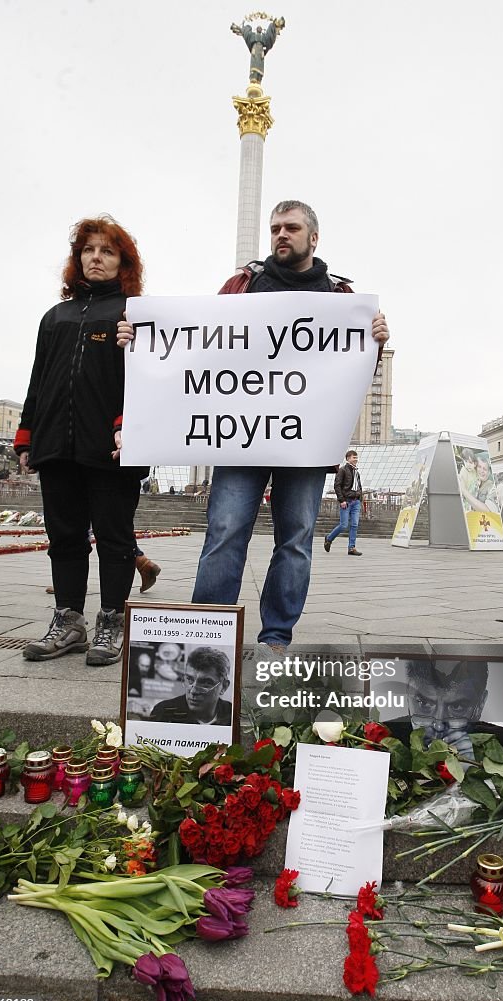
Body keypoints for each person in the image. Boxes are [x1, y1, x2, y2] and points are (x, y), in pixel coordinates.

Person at [117, 200, 389, 658]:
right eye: (276, 228)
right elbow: (197, 343)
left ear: (313, 237)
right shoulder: (242, 286)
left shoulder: (342, 299)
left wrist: (375, 341)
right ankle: (206, 633)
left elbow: (348, 370)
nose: (282, 235)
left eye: (292, 228)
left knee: (297, 538)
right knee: (224, 531)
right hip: (239, 435)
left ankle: (276, 637)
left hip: (303, 442)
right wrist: (140, 339)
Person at [15, 216, 147, 666]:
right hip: (56, 444)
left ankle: (111, 622)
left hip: (113, 447)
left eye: (107, 251)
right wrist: (27, 434)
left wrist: (130, 423)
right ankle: (68, 621)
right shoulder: (54, 318)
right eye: (89, 250)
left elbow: (151, 381)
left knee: (115, 538)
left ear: (122, 262)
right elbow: (38, 381)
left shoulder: (135, 314)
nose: (96, 258)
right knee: (65, 537)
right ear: (78, 260)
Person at [385, 659, 503, 759]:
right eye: (424, 703)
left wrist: (470, 765)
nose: (439, 725)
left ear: (480, 704)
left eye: (457, 707)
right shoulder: (380, 738)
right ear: (408, 695)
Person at [149, 646, 233, 726]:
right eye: (189, 679)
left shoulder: (232, 714)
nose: (193, 691)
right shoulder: (163, 712)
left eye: (206, 683)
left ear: (224, 687)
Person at [324, 450, 364, 555]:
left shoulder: (356, 472)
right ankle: (329, 538)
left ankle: (351, 548)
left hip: (356, 502)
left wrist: (360, 497)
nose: (356, 459)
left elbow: (358, 486)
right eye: (353, 458)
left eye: (356, 457)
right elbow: (337, 485)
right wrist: (342, 500)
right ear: (348, 459)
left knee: (354, 525)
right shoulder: (342, 470)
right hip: (346, 501)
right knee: (344, 525)